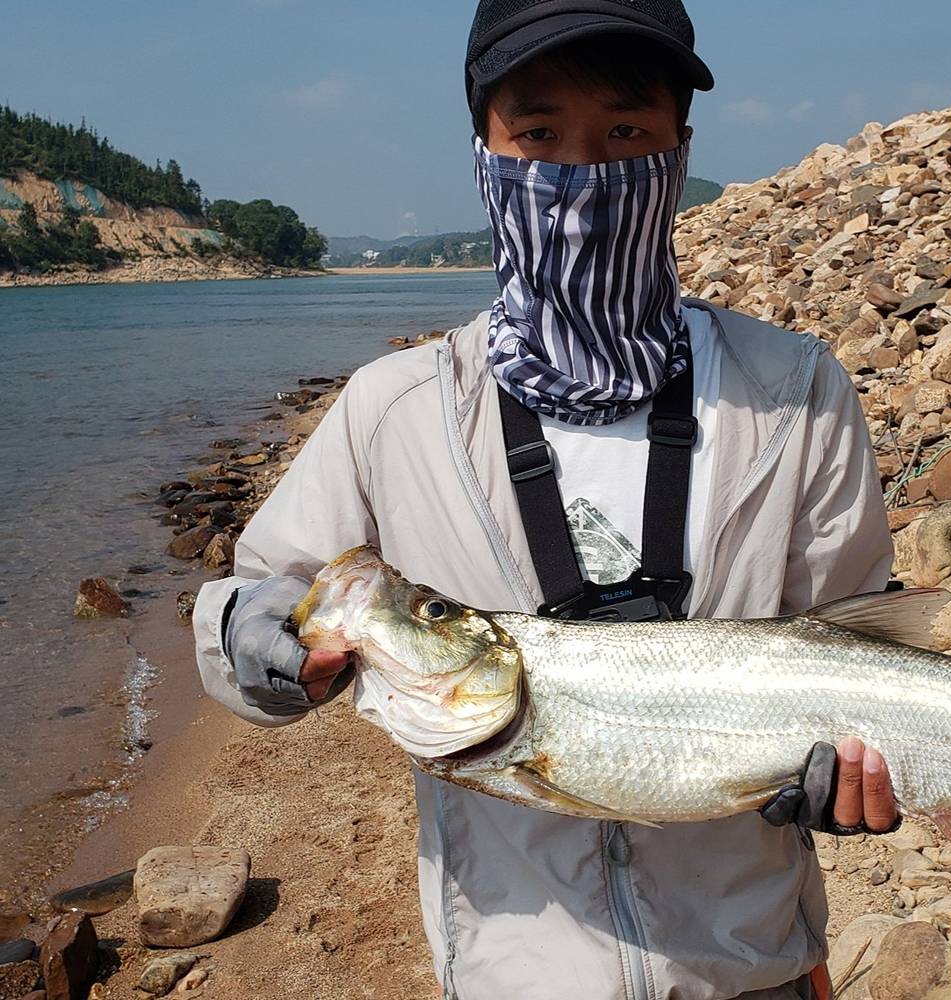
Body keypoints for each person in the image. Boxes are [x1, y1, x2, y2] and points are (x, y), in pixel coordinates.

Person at [193, 2, 899, 997]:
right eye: (537, 134)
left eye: (625, 135)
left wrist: (859, 775)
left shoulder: (793, 393)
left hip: (752, 969)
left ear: (678, 151)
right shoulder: (395, 410)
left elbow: (862, 648)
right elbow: (255, 596)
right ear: (484, 151)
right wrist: (252, 637)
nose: (580, 176)